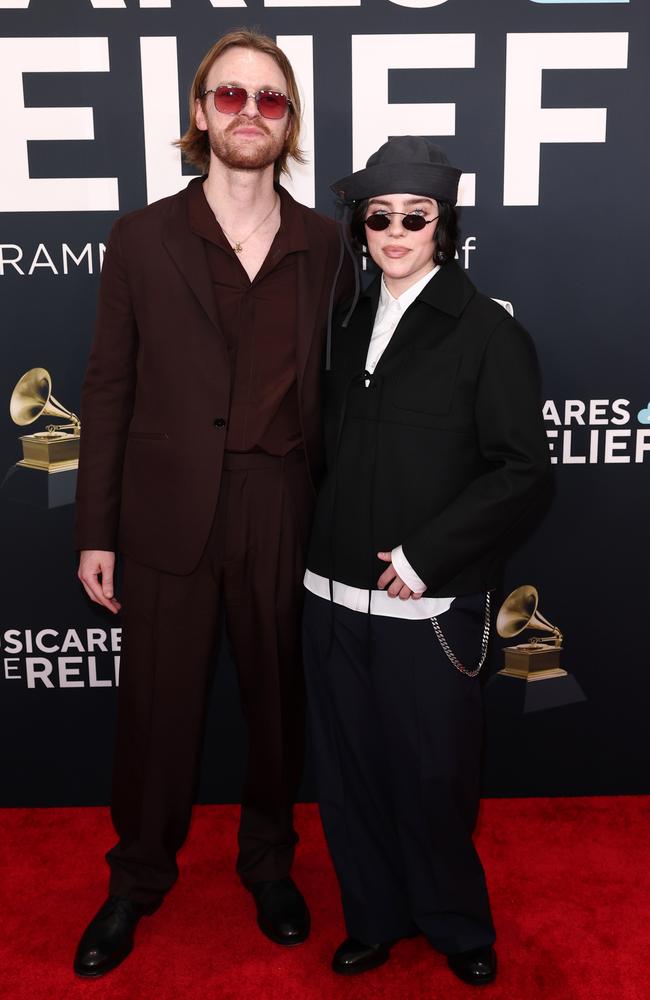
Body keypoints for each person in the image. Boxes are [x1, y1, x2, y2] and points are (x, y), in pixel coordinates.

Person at [73, 29, 352, 978]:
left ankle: (271, 864)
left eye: (269, 101)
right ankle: (136, 878)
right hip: (163, 509)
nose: (248, 114)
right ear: (200, 113)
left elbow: (351, 396)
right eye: (229, 96)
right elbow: (107, 387)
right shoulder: (141, 236)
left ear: (289, 123)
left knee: (277, 700)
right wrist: (94, 530)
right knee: (155, 709)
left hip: (282, 503)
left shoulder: (328, 244)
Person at [302, 137, 553, 986]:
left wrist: (426, 554)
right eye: (380, 217)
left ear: (444, 227)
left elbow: (523, 471)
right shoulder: (340, 321)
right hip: (330, 600)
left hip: (430, 609)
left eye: (416, 217)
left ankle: (453, 922)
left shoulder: (487, 331)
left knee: (435, 779)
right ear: (360, 226)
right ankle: (374, 915)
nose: (396, 231)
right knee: (348, 777)